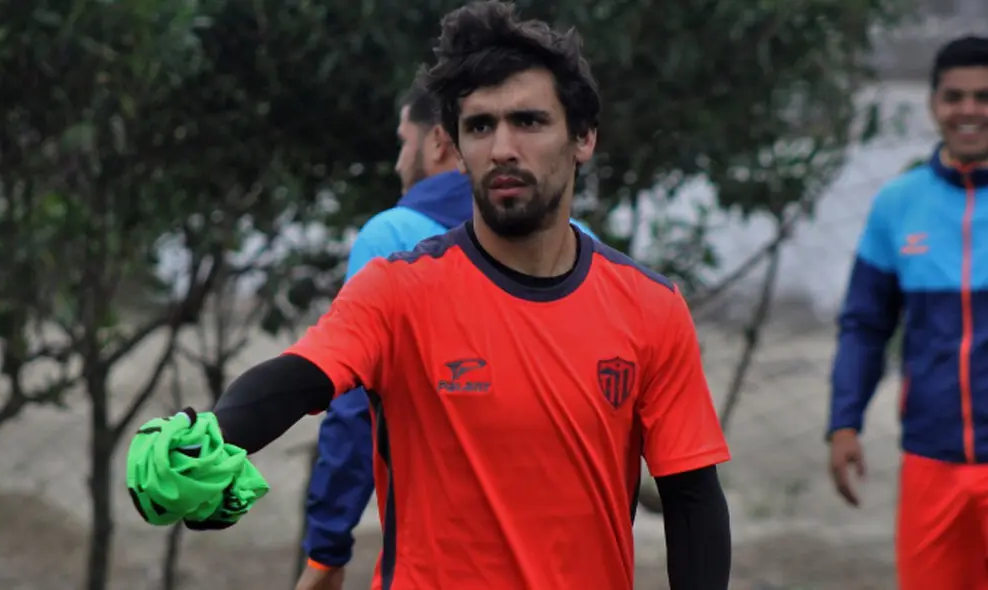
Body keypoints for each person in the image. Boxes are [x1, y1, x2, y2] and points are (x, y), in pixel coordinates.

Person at [128, 2, 732, 588]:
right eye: (480, 126)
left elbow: (691, 497)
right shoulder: (398, 291)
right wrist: (212, 430)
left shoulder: (650, 307)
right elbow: (301, 378)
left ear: (584, 138)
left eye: (529, 121)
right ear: (456, 146)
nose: (502, 149)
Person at [296, 74, 598, 590]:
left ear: (439, 140)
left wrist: (326, 547)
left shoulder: (392, 236)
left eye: (402, 142)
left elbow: (353, 409)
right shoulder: (585, 244)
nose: (397, 163)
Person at [827, 35, 988, 590]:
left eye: (984, 96)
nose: (969, 110)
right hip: (930, 460)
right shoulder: (898, 205)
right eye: (955, 96)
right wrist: (844, 421)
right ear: (934, 104)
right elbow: (865, 325)